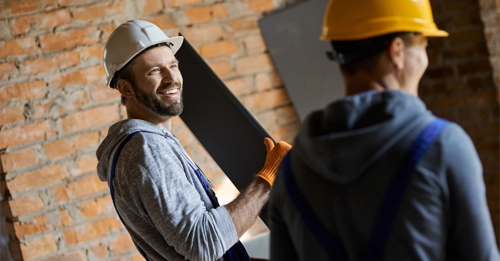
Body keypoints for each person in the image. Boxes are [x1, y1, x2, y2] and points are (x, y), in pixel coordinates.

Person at [268, 0, 500, 260]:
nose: (425, 59)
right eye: (423, 46)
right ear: (397, 51)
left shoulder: (292, 170)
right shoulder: (443, 147)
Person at [96, 20, 291, 261]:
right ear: (125, 88)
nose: (171, 79)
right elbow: (203, 244)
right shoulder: (146, 150)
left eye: (173, 66)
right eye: (154, 71)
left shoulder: (146, 144)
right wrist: (267, 180)